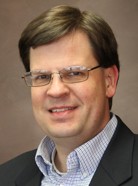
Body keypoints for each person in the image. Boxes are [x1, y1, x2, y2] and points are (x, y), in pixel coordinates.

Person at [0, 5, 138, 186]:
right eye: (42, 76)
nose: (56, 91)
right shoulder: (5, 176)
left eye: (74, 73)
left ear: (109, 81)